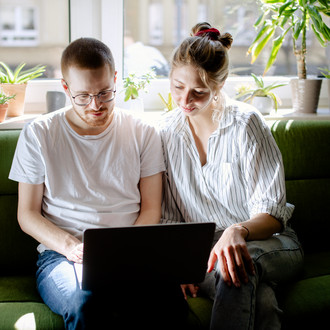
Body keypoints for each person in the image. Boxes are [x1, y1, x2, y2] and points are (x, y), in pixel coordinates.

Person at [9, 38, 186, 329]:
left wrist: (124, 253)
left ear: (115, 79)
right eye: (83, 96)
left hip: (130, 254)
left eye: (104, 93)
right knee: (86, 303)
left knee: (169, 301)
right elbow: (27, 215)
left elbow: (151, 210)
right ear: (66, 88)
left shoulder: (142, 132)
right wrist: (72, 247)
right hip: (61, 257)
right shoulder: (39, 134)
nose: (95, 105)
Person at [160, 22, 304, 330]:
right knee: (261, 301)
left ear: (218, 86)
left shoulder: (245, 124)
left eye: (199, 92)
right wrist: (177, 268)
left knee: (236, 266)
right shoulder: (164, 133)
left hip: (271, 243)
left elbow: (273, 215)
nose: (185, 101)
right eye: (177, 88)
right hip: (203, 258)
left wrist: (237, 231)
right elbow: (168, 217)